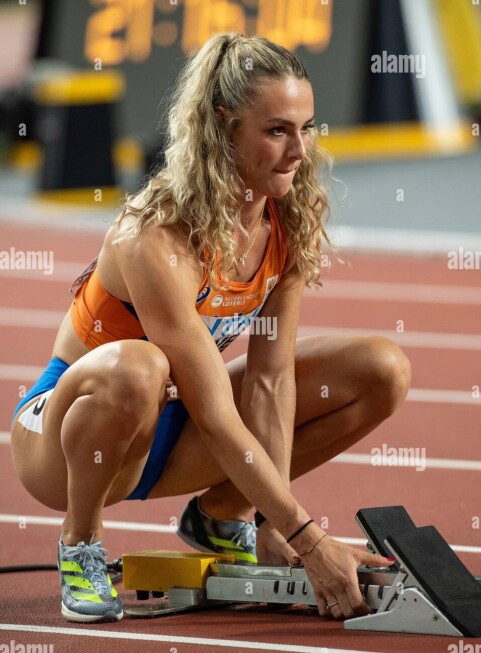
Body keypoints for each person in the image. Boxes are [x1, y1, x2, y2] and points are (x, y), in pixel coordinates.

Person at [10, 33, 411, 624]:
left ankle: (222, 515)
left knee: (382, 369)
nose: (300, 150)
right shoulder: (153, 236)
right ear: (223, 128)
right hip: (72, 436)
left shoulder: (286, 223)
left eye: (307, 128)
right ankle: (81, 542)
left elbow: (271, 384)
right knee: (138, 366)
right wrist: (308, 538)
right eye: (277, 130)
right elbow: (218, 409)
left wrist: (274, 523)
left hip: (178, 421)